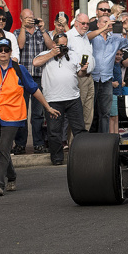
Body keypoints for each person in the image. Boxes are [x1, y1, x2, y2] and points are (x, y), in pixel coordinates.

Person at [0, 38, 60, 195]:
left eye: (6, 50)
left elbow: (34, 89)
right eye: (0, 50)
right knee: (2, 149)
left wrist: (47, 107)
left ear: (11, 52)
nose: (3, 53)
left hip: (13, 116)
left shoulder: (19, 69)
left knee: (4, 148)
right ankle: (11, 176)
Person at [34, 32, 87, 165]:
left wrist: (84, 70)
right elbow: (35, 63)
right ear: (53, 44)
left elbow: (79, 74)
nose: (63, 48)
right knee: (54, 131)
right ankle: (57, 158)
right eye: (60, 45)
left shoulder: (73, 54)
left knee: (79, 129)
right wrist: (52, 53)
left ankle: (82, 156)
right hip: (53, 100)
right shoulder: (45, 54)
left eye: (65, 45)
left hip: (73, 98)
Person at [14, 9, 53, 154]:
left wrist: (42, 29)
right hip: (22, 77)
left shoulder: (41, 32)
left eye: (32, 17)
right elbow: (20, 46)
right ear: (21, 19)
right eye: (27, 18)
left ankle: (38, 143)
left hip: (38, 76)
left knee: (38, 114)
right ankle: (20, 144)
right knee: (21, 112)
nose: (30, 20)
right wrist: (24, 27)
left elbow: (51, 47)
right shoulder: (17, 33)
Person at [66, 12, 98, 126]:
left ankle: (83, 140)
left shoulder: (85, 37)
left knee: (89, 113)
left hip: (89, 77)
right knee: (77, 113)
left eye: (87, 24)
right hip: (78, 77)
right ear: (76, 23)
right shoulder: (69, 36)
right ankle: (74, 142)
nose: (85, 26)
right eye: (83, 23)